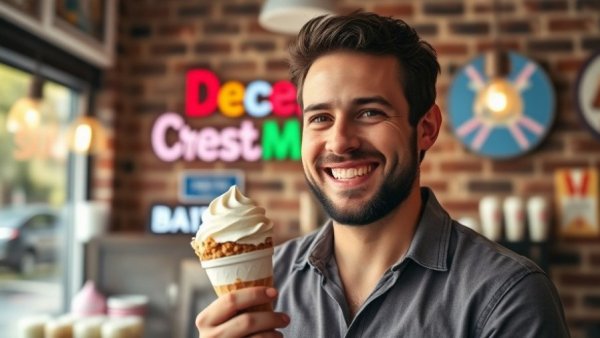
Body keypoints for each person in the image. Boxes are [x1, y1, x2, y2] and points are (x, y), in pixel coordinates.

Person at [196, 11, 570, 337]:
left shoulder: (507, 295)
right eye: (321, 118)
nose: (340, 142)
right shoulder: (268, 281)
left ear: (426, 128)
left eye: (370, 112)